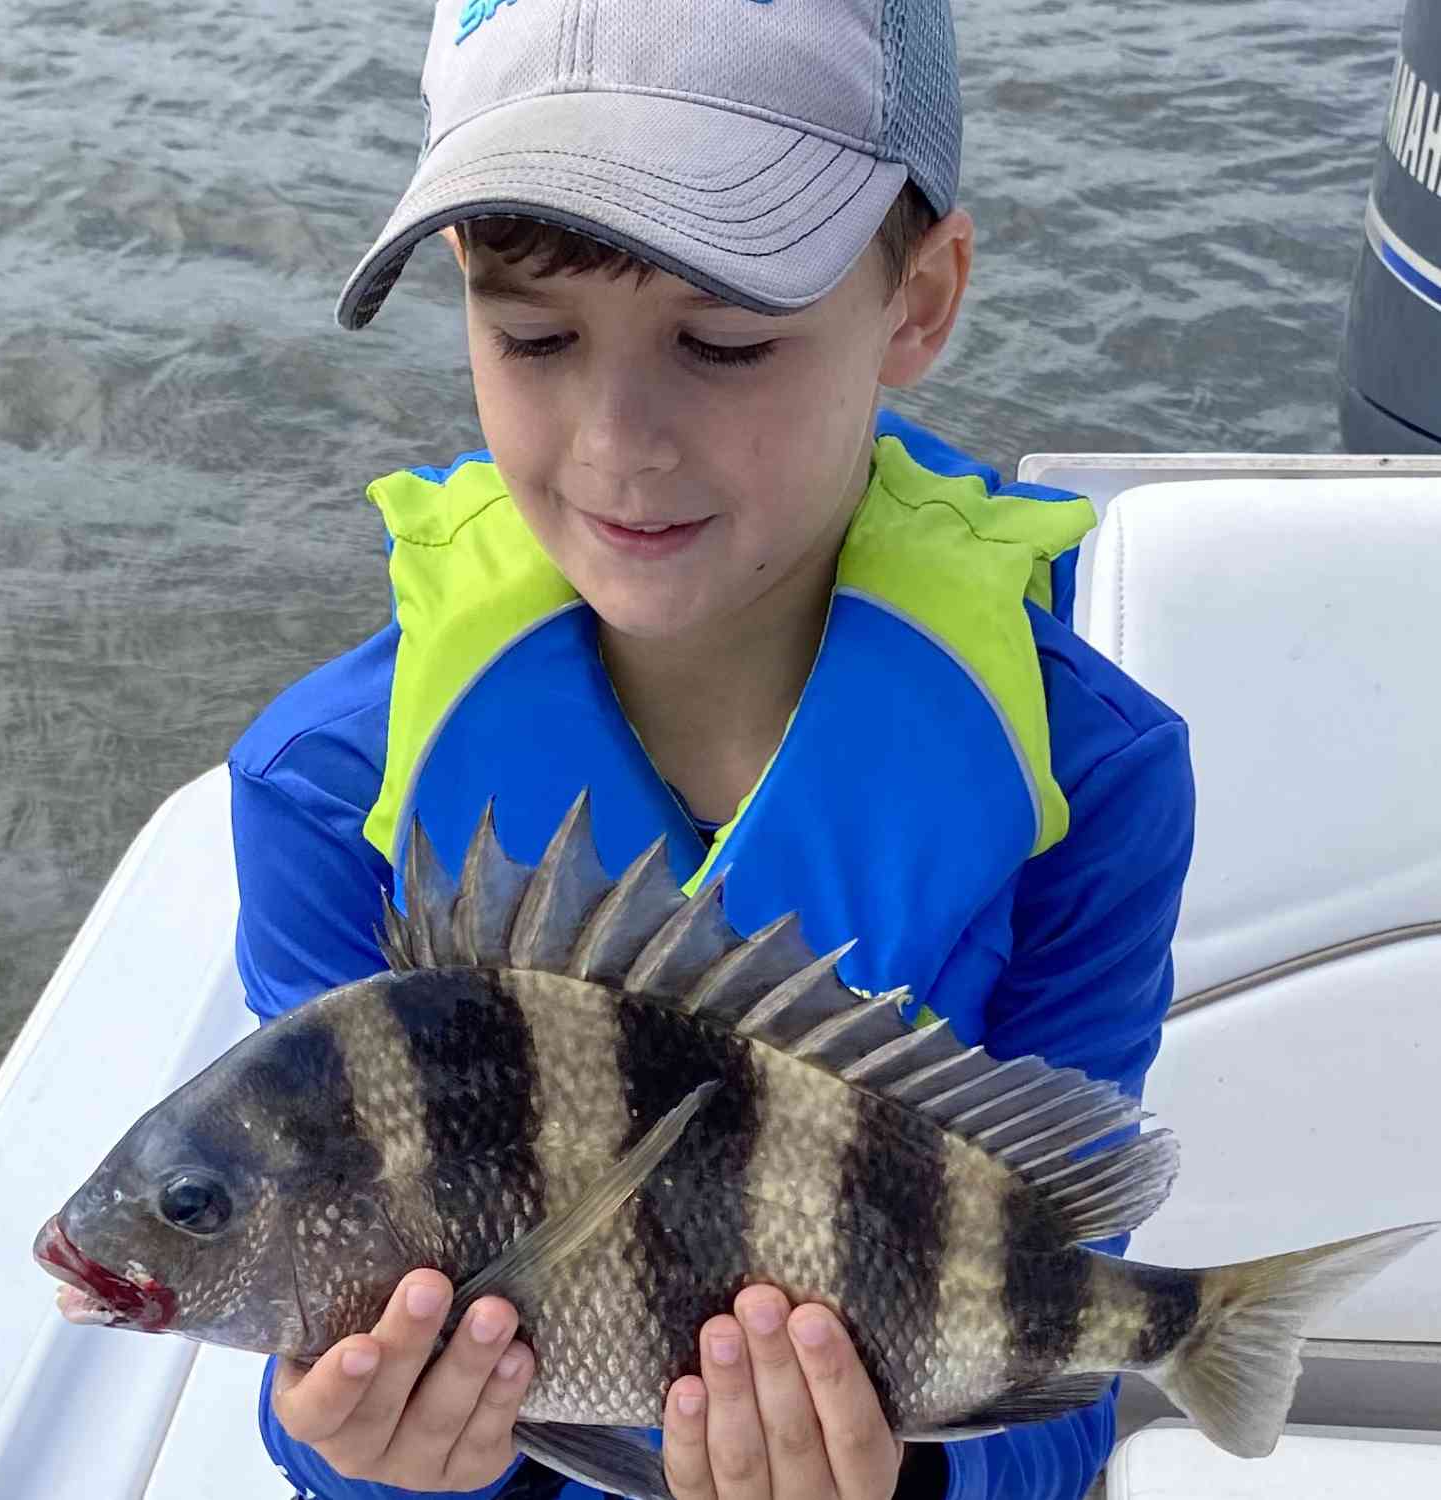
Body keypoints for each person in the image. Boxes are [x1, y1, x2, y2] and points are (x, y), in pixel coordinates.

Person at [228, 2, 1194, 1498]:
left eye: (726, 340)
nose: (621, 440)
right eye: (530, 332)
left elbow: (1059, 1376)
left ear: (921, 302)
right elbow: (320, 1399)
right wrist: (373, 1457)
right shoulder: (327, 795)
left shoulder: (1091, 779)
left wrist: (911, 1483)